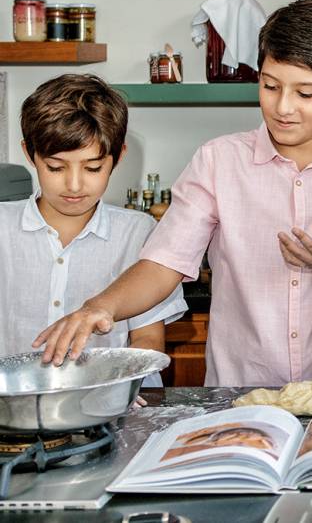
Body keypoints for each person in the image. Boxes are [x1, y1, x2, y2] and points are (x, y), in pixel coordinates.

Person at [33, 0, 312, 387]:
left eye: (305, 94)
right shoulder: (218, 162)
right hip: (238, 396)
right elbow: (163, 265)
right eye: (270, 86)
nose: (282, 107)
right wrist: (98, 308)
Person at [0, 75, 186, 388]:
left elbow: (148, 339)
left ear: (118, 157)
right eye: (56, 167)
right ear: (30, 154)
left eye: (92, 168)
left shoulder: (138, 233)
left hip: (107, 413)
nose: (74, 185)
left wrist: (124, 387)